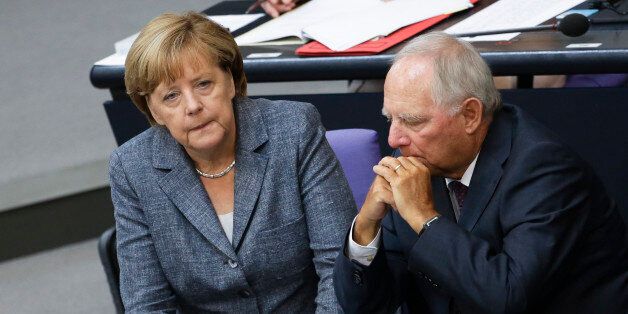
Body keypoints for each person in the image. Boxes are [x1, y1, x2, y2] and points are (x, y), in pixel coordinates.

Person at [334, 31, 628, 313]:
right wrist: (365, 226)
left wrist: (425, 219)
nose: (394, 139)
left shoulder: (544, 168)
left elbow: (507, 298)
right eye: (391, 119)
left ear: (470, 115)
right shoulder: (415, 160)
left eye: (413, 121)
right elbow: (367, 306)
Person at [110, 11, 356, 312]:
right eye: (171, 96)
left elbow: (339, 271)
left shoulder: (293, 130)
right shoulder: (133, 168)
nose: (193, 106)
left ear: (231, 80)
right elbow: (147, 303)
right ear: (154, 110)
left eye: (203, 84)